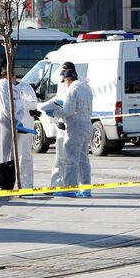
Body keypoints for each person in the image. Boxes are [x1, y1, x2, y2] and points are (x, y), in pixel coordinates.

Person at [48, 69, 94, 198]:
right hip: (87, 125)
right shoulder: (86, 87)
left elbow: (68, 110)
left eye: (65, 81)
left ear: (67, 79)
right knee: (84, 159)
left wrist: (54, 113)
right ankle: (86, 189)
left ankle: (69, 188)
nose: (65, 84)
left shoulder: (72, 89)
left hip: (75, 128)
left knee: (71, 159)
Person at [0, 67, 23, 190]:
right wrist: (18, 120)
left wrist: (13, 120)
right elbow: (19, 106)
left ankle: (5, 184)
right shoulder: (12, 86)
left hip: (3, 123)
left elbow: (5, 107)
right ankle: (9, 183)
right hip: (12, 122)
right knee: (10, 155)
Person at [15, 77, 39, 189]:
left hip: (25, 127)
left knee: (24, 156)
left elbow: (33, 104)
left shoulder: (26, 87)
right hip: (10, 127)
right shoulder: (3, 88)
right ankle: (15, 184)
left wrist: (18, 100)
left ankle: (27, 185)